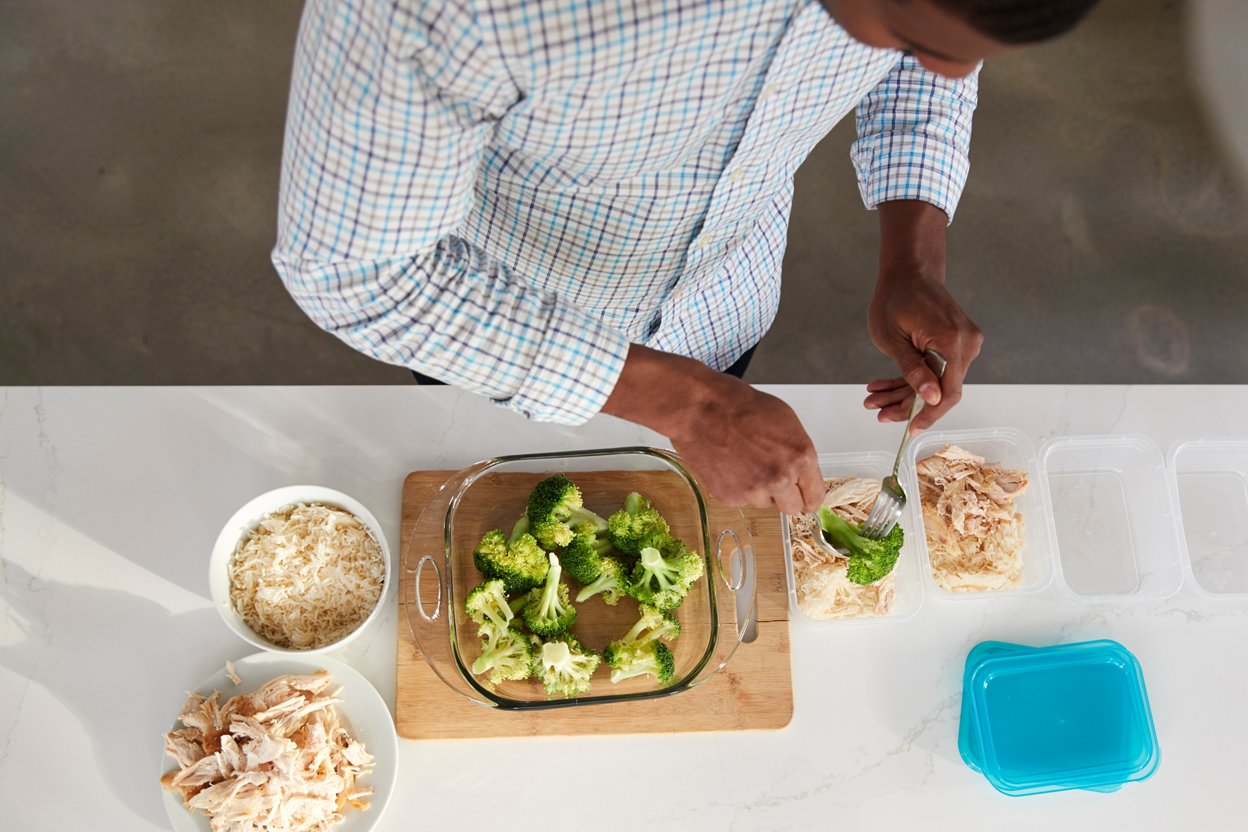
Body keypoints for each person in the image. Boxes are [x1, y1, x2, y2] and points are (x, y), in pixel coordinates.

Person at [272, 0, 1098, 514]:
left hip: (724, 301)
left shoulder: (934, 24)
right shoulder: (454, 11)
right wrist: (693, 411)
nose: (948, 71)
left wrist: (910, 256)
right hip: (489, 324)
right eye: (906, 37)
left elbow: (941, 61)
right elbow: (355, 269)